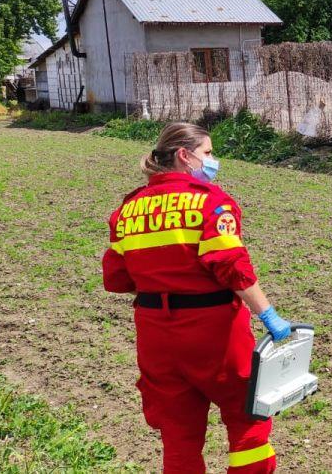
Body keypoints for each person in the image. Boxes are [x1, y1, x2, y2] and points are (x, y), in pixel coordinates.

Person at [102, 122, 297, 473]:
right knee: (247, 417)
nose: (212, 160)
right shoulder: (210, 202)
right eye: (207, 152)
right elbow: (232, 267)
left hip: (155, 335)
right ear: (184, 155)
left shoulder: (127, 210)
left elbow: (116, 279)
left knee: (178, 435)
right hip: (214, 333)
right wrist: (267, 314)